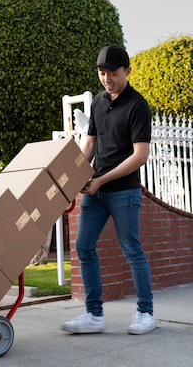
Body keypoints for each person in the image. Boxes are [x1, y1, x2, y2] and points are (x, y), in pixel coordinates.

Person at [61, 45, 156, 335]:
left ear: (127, 71)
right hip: (97, 190)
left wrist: (102, 179)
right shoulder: (98, 103)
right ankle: (93, 314)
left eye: (112, 74)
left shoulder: (137, 105)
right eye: (102, 74)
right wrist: (75, 175)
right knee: (83, 245)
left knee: (131, 249)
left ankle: (146, 312)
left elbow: (140, 155)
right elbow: (90, 144)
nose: (107, 79)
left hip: (123, 191)